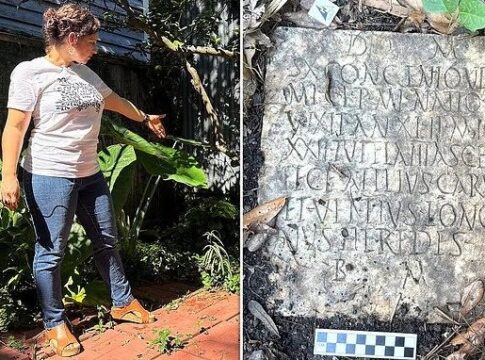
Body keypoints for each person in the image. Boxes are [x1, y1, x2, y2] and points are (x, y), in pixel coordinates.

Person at [0, 4, 165, 357]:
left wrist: (145, 117)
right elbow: (15, 127)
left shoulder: (86, 74)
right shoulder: (30, 73)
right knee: (51, 252)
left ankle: (121, 302)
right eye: (92, 41)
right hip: (49, 174)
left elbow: (115, 101)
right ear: (72, 39)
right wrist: (8, 175)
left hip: (90, 174)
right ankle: (54, 323)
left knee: (107, 240)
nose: (97, 47)